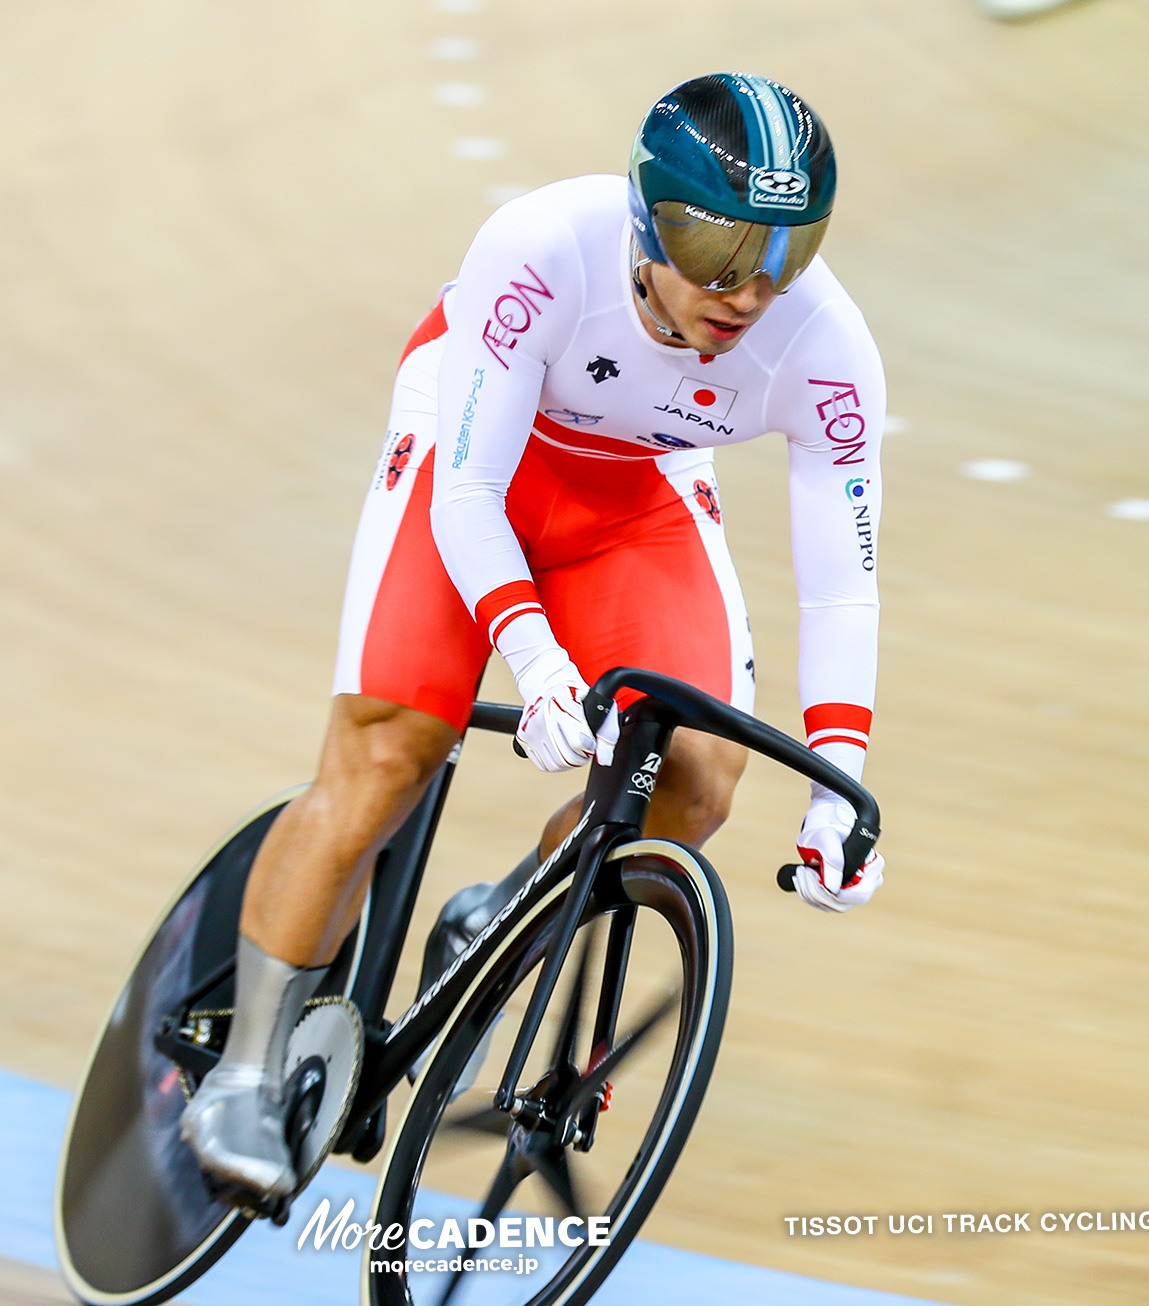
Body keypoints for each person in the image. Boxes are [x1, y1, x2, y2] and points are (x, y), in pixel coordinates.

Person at [181, 72, 888, 1203]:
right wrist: (533, 656)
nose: (747, 288)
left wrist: (837, 788)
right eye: (715, 243)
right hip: (474, 458)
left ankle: (501, 910)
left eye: (784, 251)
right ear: (649, 216)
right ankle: (242, 1074)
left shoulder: (825, 342)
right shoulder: (540, 246)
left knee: (696, 778)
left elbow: (842, 588)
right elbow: (465, 488)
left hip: (637, 496)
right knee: (390, 755)